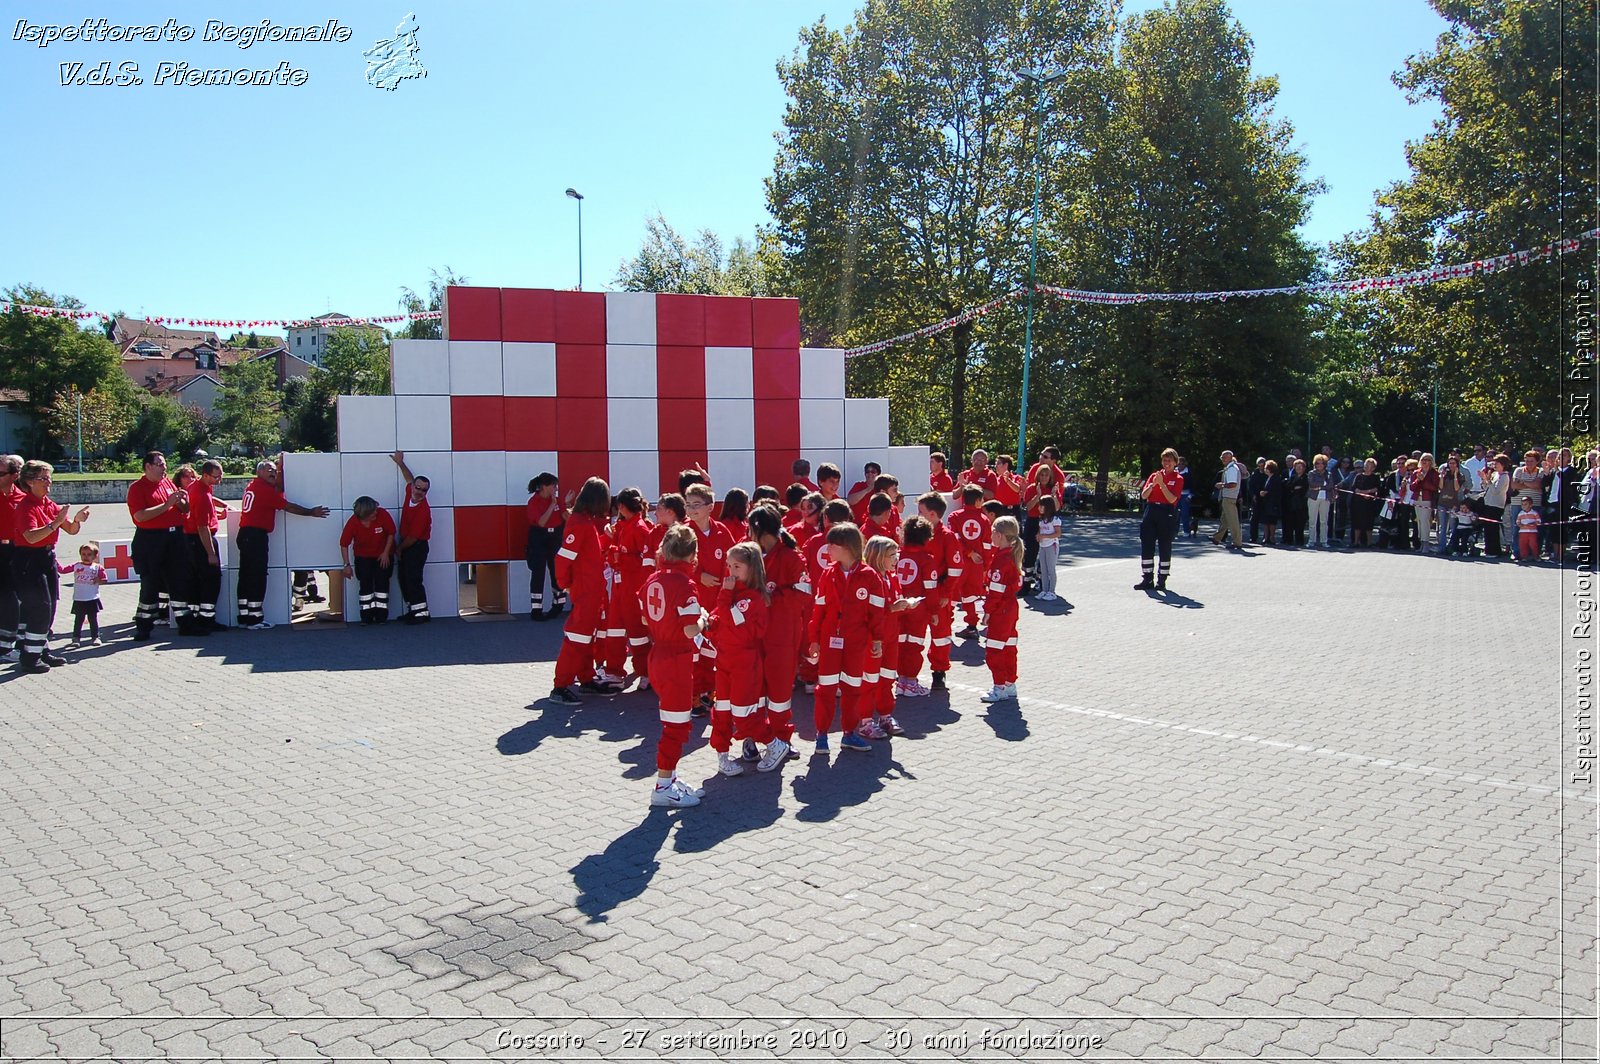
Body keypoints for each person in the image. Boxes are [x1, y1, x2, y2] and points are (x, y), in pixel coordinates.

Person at [640, 524, 706, 807]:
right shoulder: (684, 583)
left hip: (657, 654)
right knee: (676, 726)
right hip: (676, 659)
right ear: (692, 555)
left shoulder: (652, 579)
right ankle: (663, 785)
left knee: (673, 721)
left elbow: (644, 621)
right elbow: (692, 629)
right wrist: (705, 618)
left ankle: (671, 779)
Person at [807, 522, 885, 754]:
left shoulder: (870, 576)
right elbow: (818, 609)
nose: (828, 549)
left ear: (848, 547)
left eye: (833, 545)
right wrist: (814, 639)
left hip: (856, 641)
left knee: (852, 688)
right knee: (826, 689)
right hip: (830, 640)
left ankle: (849, 734)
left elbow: (877, 612)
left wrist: (878, 640)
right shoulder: (828, 573)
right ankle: (821, 735)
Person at [236, 457, 330, 629]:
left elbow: (277, 487)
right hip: (255, 536)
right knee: (257, 577)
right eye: (269, 470)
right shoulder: (264, 490)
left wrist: (281, 466)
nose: (273, 473)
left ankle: (244, 616)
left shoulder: (254, 485)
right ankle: (255, 619)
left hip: (246, 534)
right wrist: (311, 512)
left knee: (246, 576)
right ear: (260, 472)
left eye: (274, 470)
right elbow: (288, 506)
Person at [704, 542, 771, 777]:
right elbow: (719, 620)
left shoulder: (752, 599)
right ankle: (722, 756)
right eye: (728, 566)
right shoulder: (733, 594)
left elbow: (736, 626)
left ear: (751, 568)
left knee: (743, 714)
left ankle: (774, 744)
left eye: (737, 566)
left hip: (744, 663)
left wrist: (724, 600)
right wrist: (710, 624)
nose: (731, 572)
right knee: (721, 710)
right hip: (724, 661)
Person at [13, 462, 87, 672]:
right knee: (40, 606)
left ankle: (41, 649)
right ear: (29, 482)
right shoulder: (25, 505)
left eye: (49, 478)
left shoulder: (48, 503)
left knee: (51, 605)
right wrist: (55, 523)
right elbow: (30, 535)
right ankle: (29, 656)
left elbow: (71, 529)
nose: (49, 483)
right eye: (43, 479)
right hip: (29, 559)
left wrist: (78, 520)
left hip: (46, 557)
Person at [549, 477, 615, 704]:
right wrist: (564, 583)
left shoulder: (584, 522)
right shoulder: (580, 524)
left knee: (586, 637)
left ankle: (586, 678)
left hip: (591, 591)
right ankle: (561, 685)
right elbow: (563, 559)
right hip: (586, 591)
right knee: (577, 637)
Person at [747, 504, 802, 770]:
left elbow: (804, 594)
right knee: (754, 690)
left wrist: (774, 596)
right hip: (753, 636)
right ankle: (752, 737)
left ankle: (782, 738)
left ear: (759, 530)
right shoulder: (749, 555)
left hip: (782, 634)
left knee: (779, 693)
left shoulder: (791, 556)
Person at [124, 450, 191, 641]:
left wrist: (183, 502)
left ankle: (184, 622)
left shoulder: (168, 483)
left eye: (165, 464)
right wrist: (167, 505)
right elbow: (140, 517)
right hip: (150, 540)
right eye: (160, 464)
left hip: (174, 538)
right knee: (150, 584)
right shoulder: (137, 488)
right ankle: (144, 626)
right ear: (148, 467)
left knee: (178, 580)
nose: (165, 468)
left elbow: (184, 510)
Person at [685, 482, 738, 714]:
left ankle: (709, 691)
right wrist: (699, 575)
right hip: (693, 602)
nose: (692, 509)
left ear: (710, 507)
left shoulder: (721, 531)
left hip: (717, 603)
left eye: (696, 504)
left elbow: (733, 559)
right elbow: (673, 561)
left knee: (712, 648)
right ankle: (692, 696)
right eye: (688, 504)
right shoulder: (684, 532)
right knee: (693, 650)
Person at [861, 534, 914, 740]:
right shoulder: (868, 579)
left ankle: (885, 715)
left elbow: (892, 606)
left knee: (887, 677)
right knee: (869, 679)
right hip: (874, 637)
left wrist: (905, 606)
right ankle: (865, 721)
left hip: (891, 635)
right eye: (892, 555)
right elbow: (866, 612)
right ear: (879, 556)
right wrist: (892, 608)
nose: (896, 559)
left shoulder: (891, 577)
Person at [602, 488, 653, 687]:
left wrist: (621, 556)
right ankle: (614, 671)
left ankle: (646, 672)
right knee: (614, 630)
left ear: (622, 507)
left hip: (633, 588)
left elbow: (645, 561)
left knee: (638, 633)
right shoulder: (623, 527)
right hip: (619, 587)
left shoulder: (640, 528)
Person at [916, 491, 962, 690]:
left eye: (921, 511)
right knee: (913, 634)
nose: (918, 515)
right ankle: (908, 672)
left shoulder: (948, 537)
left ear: (932, 515)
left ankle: (939, 671)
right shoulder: (917, 533)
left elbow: (955, 569)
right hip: (918, 593)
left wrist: (945, 595)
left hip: (939, 593)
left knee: (940, 634)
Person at [979, 516, 1024, 702]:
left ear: (999, 535)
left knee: (994, 649)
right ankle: (1009, 684)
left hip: (1001, 611)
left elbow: (996, 592)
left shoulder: (1001, 560)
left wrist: (987, 612)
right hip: (1010, 608)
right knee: (1009, 648)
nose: (990, 536)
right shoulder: (1011, 556)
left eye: (992, 533)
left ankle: (999, 687)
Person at [895, 516, 939, 697]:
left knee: (899, 645)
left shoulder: (897, 556)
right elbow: (931, 589)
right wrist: (934, 611)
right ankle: (911, 682)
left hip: (898, 608)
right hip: (917, 611)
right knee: (914, 645)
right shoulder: (927, 560)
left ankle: (901, 680)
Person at [182, 460, 226, 635]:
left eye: (221, 475)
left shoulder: (197, 486)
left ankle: (197, 617)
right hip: (200, 541)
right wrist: (211, 553)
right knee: (211, 580)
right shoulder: (202, 494)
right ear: (206, 475)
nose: (219, 479)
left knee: (196, 580)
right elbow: (202, 527)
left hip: (191, 540)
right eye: (216, 476)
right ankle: (206, 619)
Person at [388, 453, 432, 624]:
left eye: (424, 490)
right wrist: (401, 463)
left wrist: (399, 549)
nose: (419, 492)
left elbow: (413, 537)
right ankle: (413, 610)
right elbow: (409, 478)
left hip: (415, 547)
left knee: (413, 579)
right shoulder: (410, 493)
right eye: (418, 488)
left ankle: (421, 614)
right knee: (404, 578)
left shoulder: (423, 511)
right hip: (408, 545)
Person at [339, 496, 396, 625]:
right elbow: (344, 544)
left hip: (383, 556)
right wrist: (346, 565)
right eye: (373, 512)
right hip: (363, 557)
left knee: (382, 584)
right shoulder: (353, 522)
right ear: (364, 514)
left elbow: (391, 533)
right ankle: (366, 617)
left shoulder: (383, 514)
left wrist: (386, 553)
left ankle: (381, 617)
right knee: (365, 586)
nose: (376, 512)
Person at [1135, 449, 1182, 590]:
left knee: (1165, 545)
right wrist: (1153, 484)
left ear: (1175, 462)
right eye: (1164, 460)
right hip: (1151, 509)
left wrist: (1162, 484)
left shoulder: (1178, 478)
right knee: (1147, 543)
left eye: (1169, 460)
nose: (1166, 463)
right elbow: (1144, 495)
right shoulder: (1155, 476)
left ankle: (1162, 580)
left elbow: (1172, 499)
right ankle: (1147, 578)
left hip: (1166, 511)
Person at [949, 484, 992, 634]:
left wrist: (968, 552)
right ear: (979, 500)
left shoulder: (954, 516)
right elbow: (987, 545)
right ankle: (972, 626)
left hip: (958, 563)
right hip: (977, 564)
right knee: (972, 595)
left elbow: (955, 539)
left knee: (952, 594)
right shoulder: (984, 520)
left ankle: (945, 625)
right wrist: (986, 565)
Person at [525, 473, 567, 621]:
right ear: (544, 486)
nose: (555, 489)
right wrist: (552, 505)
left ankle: (558, 605)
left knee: (556, 571)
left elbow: (564, 517)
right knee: (538, 572)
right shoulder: (534, 502)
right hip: (539, 537)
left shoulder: (557, 500)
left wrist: (568, 507)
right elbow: (542, 522)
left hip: (555, 537)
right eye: (553, 486)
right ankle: (536, 609)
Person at [0, 454, 25, 661]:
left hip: (15, 551)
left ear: (15, 475)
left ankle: (7, 645)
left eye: (0, 474)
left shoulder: (23, 498)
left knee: (13, 599)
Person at [59, 541, 107, 647]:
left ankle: (95, 637)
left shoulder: (97, 567)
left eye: (89, 554)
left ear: (95, 556)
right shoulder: (77, 566)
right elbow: (62, 570)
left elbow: (104, 579)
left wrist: (99, 580)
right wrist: (54, 561)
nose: (86, 557)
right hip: (79, 598)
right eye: (83, 554)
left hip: (92, 598)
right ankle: (76, 639)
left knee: (93, 619)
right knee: (78, 620)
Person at [1022, 463, 1063, 583]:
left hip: (1047, 522)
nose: (1044, 477)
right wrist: (1038, 495)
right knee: (1030, 552)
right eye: (1042, 475)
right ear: (1038, 476)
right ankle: (1027, 581)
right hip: (1033, 521)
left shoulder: (1053, 489)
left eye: (1047, 475)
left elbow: (1057, 507)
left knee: (1045, 552)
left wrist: (1054, 495)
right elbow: (1028, 507)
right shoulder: (1031, 488)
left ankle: (1041, 580)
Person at [1470, 454, 1511, 557]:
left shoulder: (1504, 476)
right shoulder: (1495, 474)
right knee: (1487, 528)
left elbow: (1496, 491)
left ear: (1503, 464)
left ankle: (1494, 551)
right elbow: (1486, 488)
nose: (1494, 465)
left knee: (1492, 528)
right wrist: (1484, 480)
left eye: (1497, 463)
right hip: (1488, 503)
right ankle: (1489, 549)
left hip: (1496, 505)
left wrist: (1487, 481)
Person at [1436, 453, 1471, 556]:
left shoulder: (1461, 476)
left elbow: (1457, 488)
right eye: (1450, 463)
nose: (1451, 465)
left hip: (1454, 503)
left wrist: (1455, 475)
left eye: (1454, 463)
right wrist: (1442, 477)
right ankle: (1441, 548)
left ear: (1457, 464)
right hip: (1442, 502)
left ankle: (1451, 547)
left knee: (1453, 527)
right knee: (1442, 527)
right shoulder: (1443, 474)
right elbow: (1440, 487)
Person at [1211, 450, 1245, 549]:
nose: (1223, 459)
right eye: (1222, 457)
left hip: (1229, 497)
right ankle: (1217, 538)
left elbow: (1233, 484)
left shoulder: (1231, 469)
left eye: (1225, 457)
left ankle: (1237, 542)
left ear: (1230, 458)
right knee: (1225, 519)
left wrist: (1221, 485)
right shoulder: (1231, 468)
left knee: (1233, 521)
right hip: (1229, 497)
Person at [1306, 455, 1337, 548]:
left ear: (1325, 464)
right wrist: (1323, 484)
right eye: (1317, 463)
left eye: (1321, 463)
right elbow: (1312, 484)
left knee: (1324, 520)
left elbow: (1330, 485)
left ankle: (1324, 541)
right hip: (1313, 498)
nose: (1319, 465)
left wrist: (1319, 486)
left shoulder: (1329, 474)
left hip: (1325, 498)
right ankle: (1311, 540)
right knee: (1312, 520)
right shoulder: (1311, 473)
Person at [1411, 453, 1440, 550]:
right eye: (1423, 459)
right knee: (1419, 521)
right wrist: (1418, 480)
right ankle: (1421, 543)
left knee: (1425, 522)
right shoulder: (1416, 472)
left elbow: (1434, 488)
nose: (1424, 461)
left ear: (1431, 462)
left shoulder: (1434, 473)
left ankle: (1426, 543)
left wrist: (1424, 481)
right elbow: (1412, 487)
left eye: (1427, 460)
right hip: (1417, 499)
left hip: (1427, 500)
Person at [1035, 497, 1062, 600]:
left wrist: (1045, 537)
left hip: (1052, 545)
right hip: (1043, 546)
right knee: (1043, 569)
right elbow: (1040, 531)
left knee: (1051, 569)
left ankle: (1052, 591)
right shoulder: (1042, 520)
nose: (1039, 508)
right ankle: (1044, 590)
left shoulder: (1055, 520)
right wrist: (1038, 535)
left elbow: (1058, 533)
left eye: (1042, 506)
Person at [1283, 458, 1309, 547]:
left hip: (1301, 503)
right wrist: (1294, 488)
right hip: (1292, 503)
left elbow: (1303, 488)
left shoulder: (1306, 477)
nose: (1298, 469)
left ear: (1304, 468)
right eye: (1297, 467)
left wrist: (1295, 489)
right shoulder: (1293, 477)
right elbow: (1288, 487)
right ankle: (1289, 540)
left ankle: (1300, 541)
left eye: (1300, 467)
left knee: (1300, 523)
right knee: (1290, 522)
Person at [1515, 495, 1542, 564]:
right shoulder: (1520, 513)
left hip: (1532, 532)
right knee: (1522, 544)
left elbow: (1539, 521)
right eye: (1522, 504)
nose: (1523, 506)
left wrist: (1533, 523)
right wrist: (1519, 524)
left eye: (1525, 504)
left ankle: (1536, 556)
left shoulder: (1534, 513)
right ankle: (1524, 557)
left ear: (1531, 505)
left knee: (1533, 544)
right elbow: (1517, 521)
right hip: (1522, 532)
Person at [1175, 455, 1194, 537]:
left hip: (1185, 495)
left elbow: (1193, 485)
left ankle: (1186, 531)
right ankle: (1174, 531)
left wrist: (1190, 496)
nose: (1180, 465)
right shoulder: (1174, 471)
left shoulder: (1188, 472)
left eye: (1182, 464)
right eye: (1179, 464)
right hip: (1175, 495)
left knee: (1184, 514)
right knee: (1175, 514)